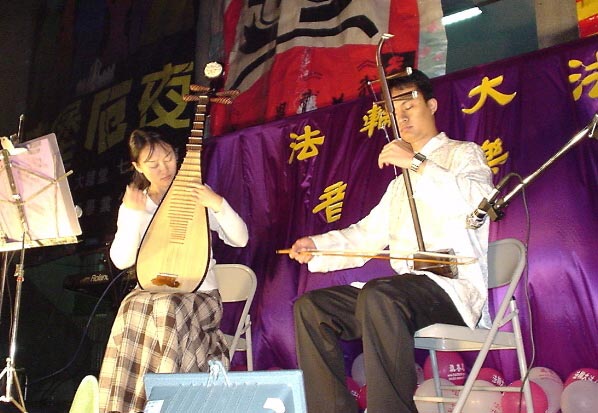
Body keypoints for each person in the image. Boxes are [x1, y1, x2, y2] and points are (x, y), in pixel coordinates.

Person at [288, 69, 494, 413]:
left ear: (431, 105)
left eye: (409, 105)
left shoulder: (462, 154)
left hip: (450, 290)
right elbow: (366, 235)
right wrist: (317, 247)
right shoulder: (399, 185)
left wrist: (416, 162)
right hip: (400, 296)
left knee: (380, 294)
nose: (402, 117)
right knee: (311, 308)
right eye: (394, 111)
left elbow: (480, 203)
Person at [98, 128, 248, 413]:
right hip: (151, 298)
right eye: (152, 164)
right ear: (138, 167)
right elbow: (121, 260)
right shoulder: (137, 203)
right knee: (131, 305)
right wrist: (132, 215)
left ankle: (167, 404)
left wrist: (218, 204)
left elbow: (240, 239)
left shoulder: (196, 194)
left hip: (200, 298)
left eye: (168, 158)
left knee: (167, 306)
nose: (164, 168)